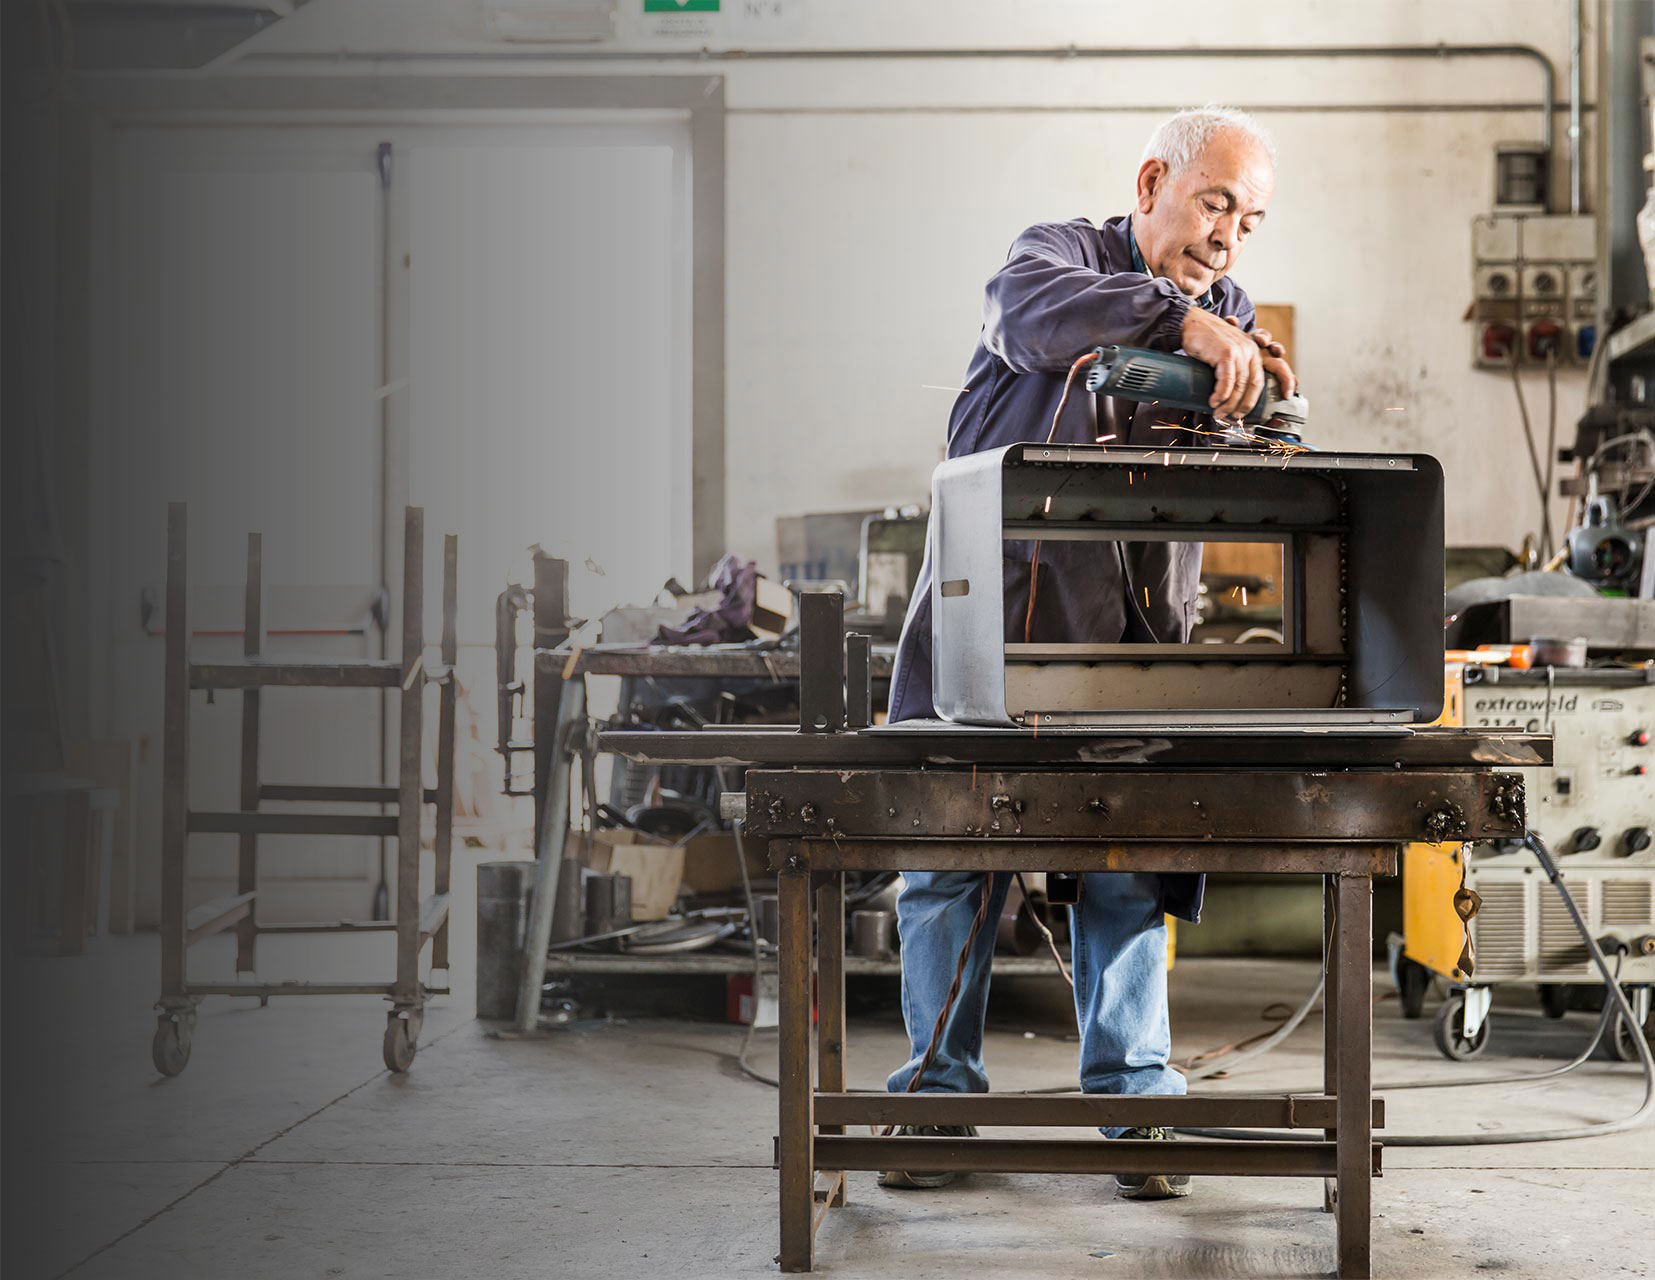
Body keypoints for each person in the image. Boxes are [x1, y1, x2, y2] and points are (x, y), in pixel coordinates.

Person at [880, 106, 1298, 1201]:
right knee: (951, 866)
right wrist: (1179, 325)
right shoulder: (1051, 256)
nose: (1226, 238)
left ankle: (1133, 1102)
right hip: (989, 631)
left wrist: (1250, 370)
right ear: (1153, 180)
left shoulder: (1231, 309)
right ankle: (934, 1103)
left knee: (1126, 865)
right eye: (1214, 203)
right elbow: (1024, 317)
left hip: (1132, 645)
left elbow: (1253, 421)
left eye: (1247, 221)